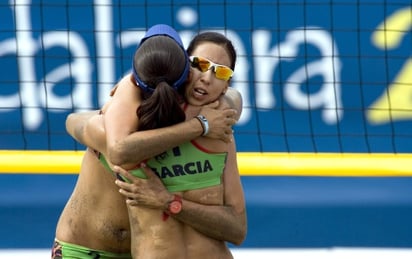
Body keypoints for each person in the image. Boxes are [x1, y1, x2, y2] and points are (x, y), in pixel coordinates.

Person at [52, 25, 237, 259]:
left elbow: (233, 99)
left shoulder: (211, 116)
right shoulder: (111, 125)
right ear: (186, 69)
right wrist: (200, 125)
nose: (207, 77)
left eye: (220, 73)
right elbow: (77, 124)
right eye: (199, 64)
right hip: (84, 247)